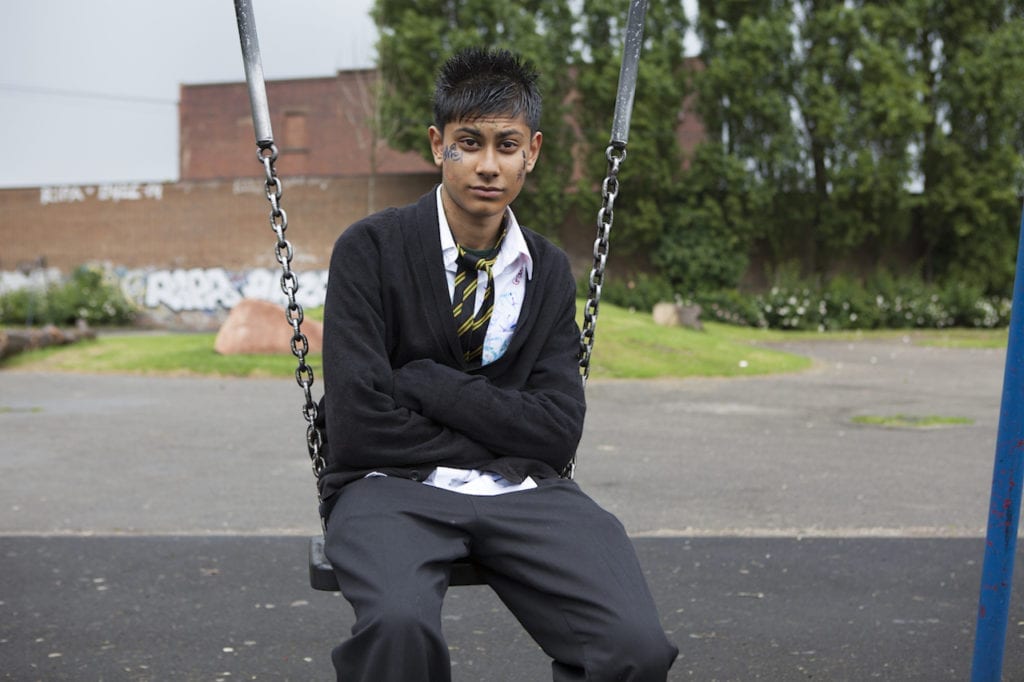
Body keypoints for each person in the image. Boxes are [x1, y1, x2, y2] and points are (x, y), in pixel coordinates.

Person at [318, 46, 678, 681]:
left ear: (531, 152)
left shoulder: (548, 274)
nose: (487, 164)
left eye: (506, 145)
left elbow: (557, 432)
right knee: (397, 629)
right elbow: (357, 426)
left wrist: (424, 381)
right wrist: (503, 429)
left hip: (528, 494)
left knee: (635, 646)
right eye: (469, 142)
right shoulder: (368, 251)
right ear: (438, 146)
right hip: (389, 492)